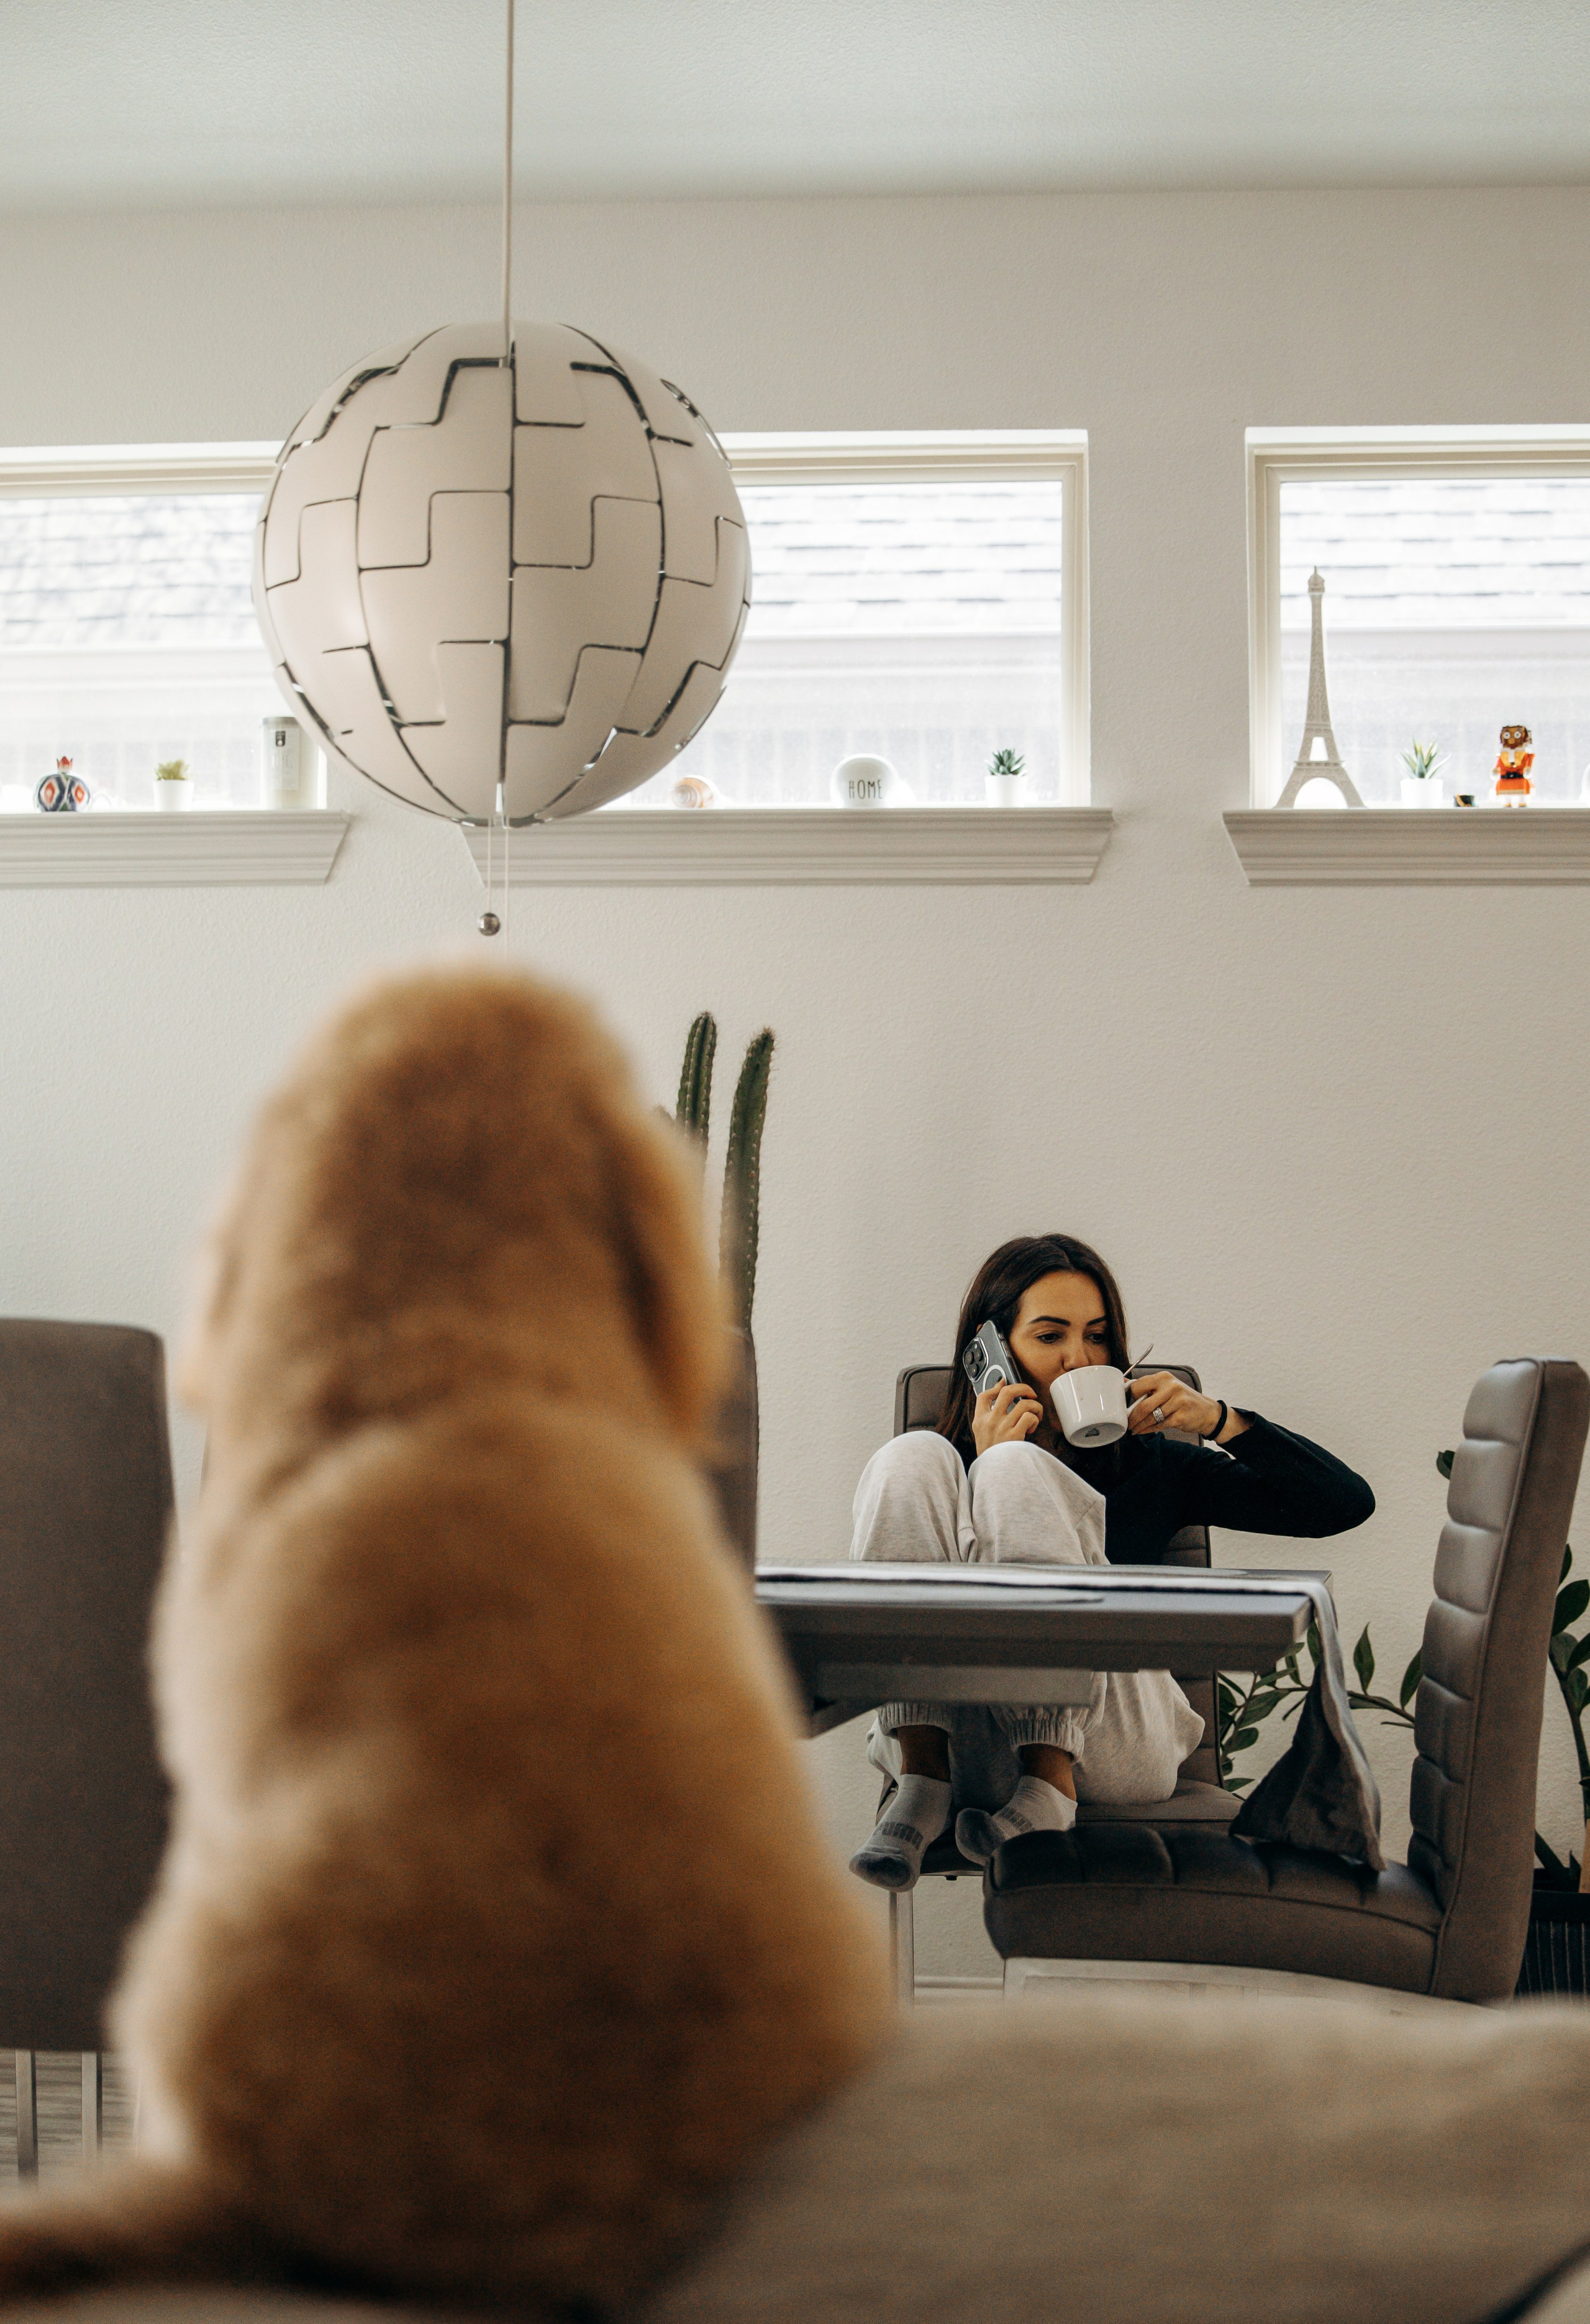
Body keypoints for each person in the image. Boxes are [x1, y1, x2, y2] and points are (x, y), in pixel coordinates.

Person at [848, 1233, 1374, 1890]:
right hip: (969, 1741)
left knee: (1015, 1466)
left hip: (1115, 1746)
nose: (1078, 1359)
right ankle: (922, 1777)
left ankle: (1050, 1781)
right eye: (1049, 1337)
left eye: (1097, 1337)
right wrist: (981, 1468)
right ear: (992, 1354)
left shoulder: (1154, 1463)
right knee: (909, 1454)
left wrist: (1220, 1421)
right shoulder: (941, 1467)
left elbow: (1342, 1505)